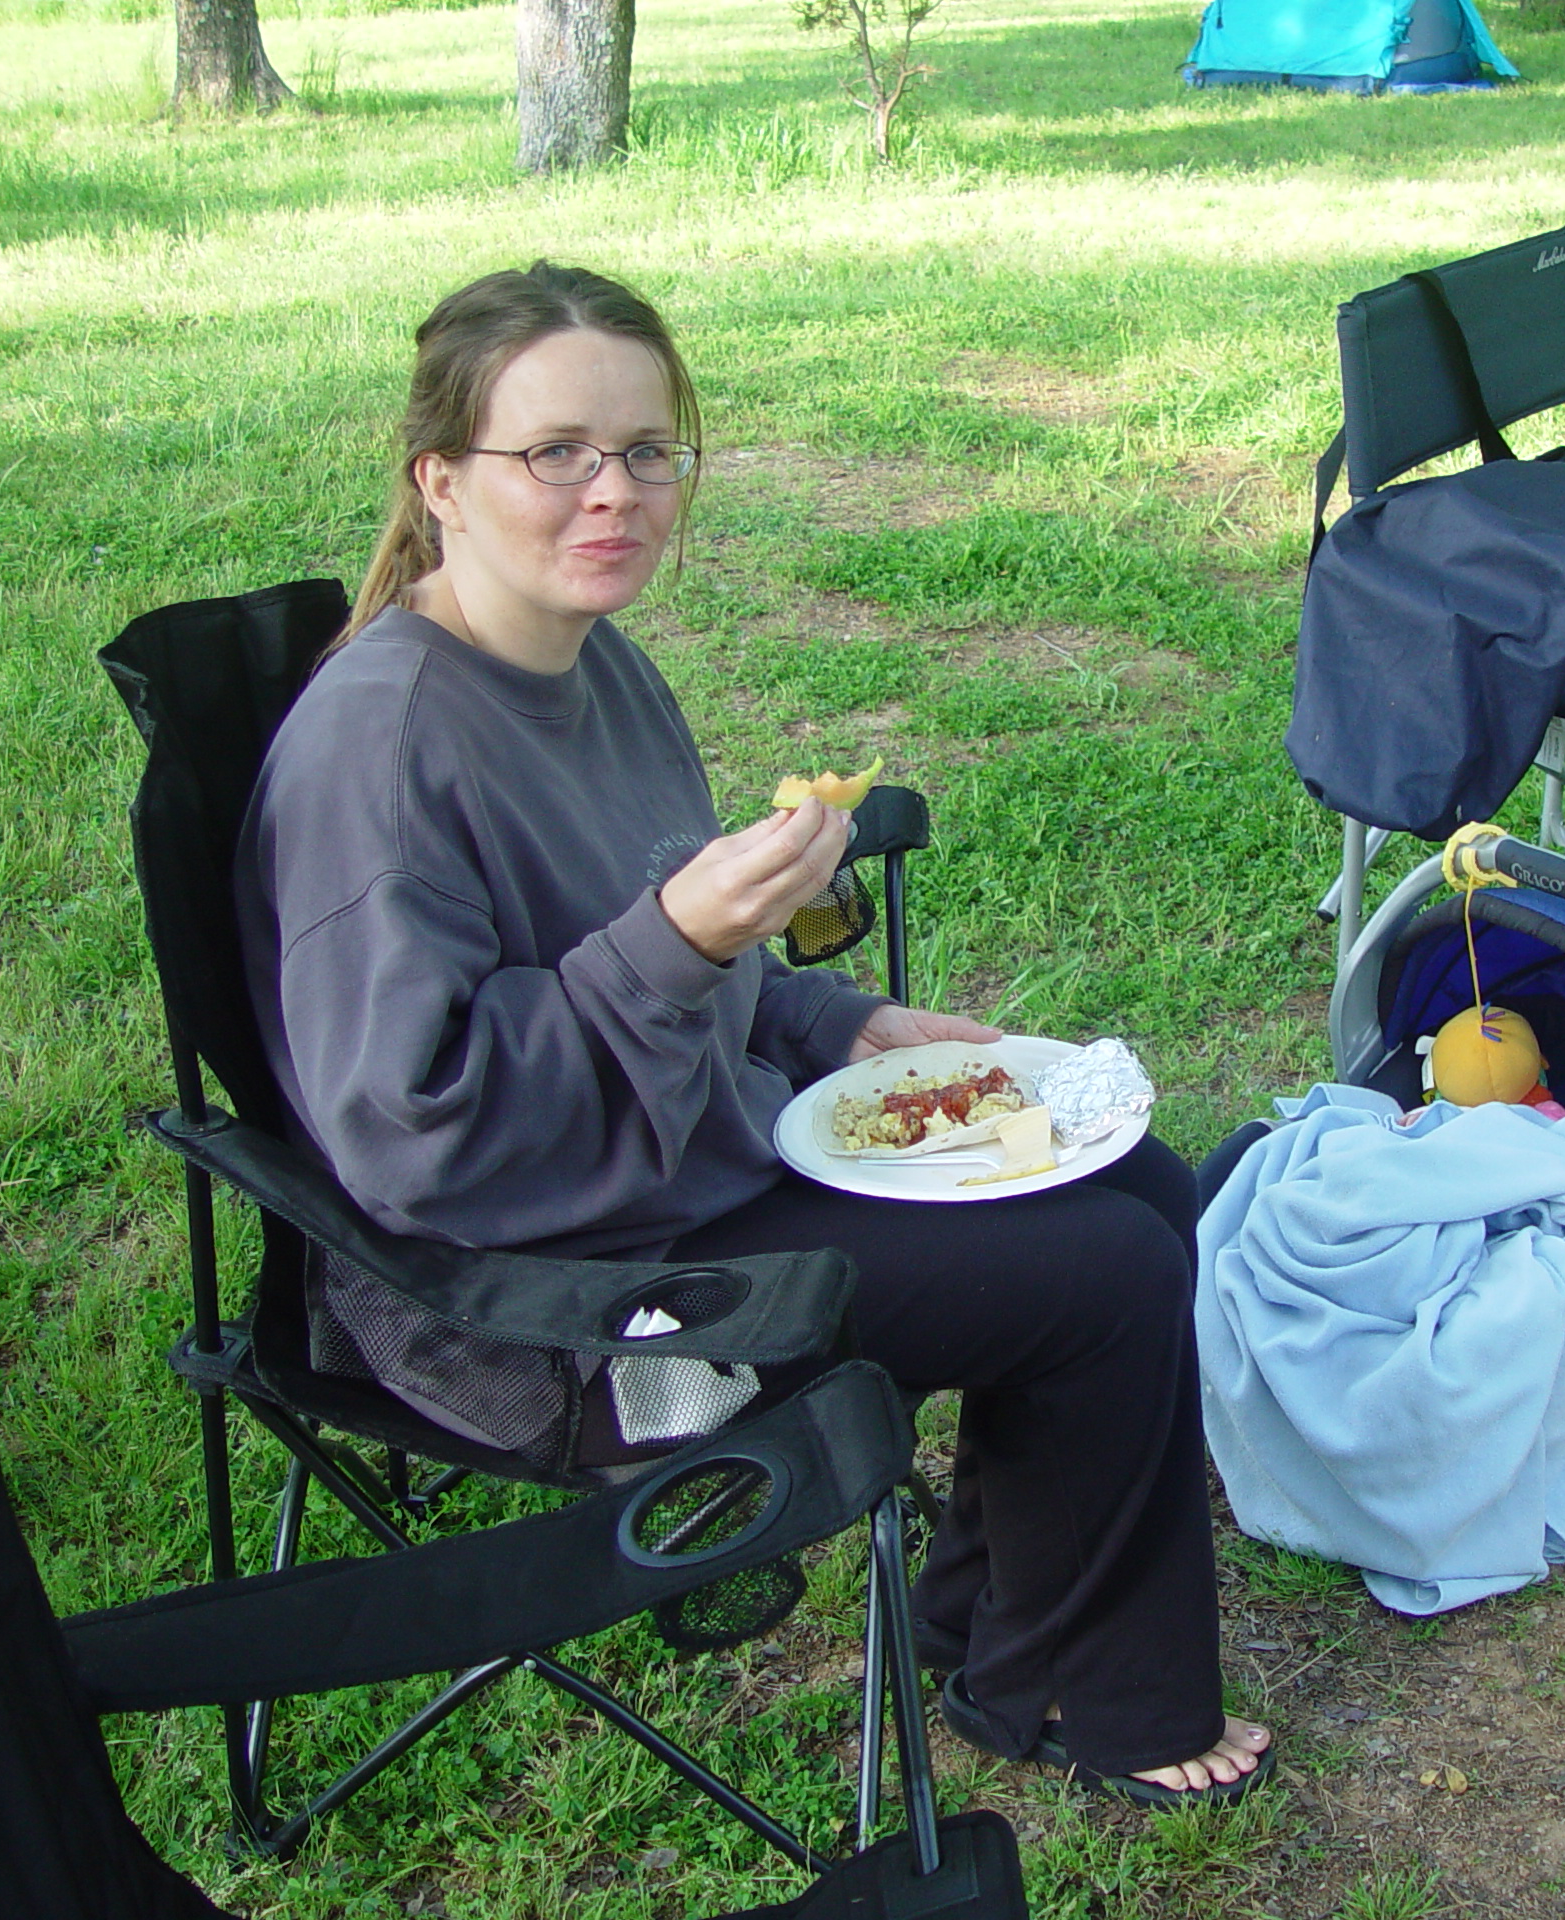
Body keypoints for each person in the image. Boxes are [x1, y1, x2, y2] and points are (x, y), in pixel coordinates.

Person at [235, 261, 1268, 1805]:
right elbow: (417, 1136)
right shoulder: (382, 752)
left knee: (1138, 1186)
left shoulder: (598, 669)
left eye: (650, 452)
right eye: (559, 454)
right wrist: (683, 941)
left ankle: (998, 1628)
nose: (616, 495)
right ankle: (1101, 1700)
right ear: (439, 480)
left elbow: (670, 966)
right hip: (543, 1304)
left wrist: (842, 1021)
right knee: (1103, 1277)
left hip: (668, 1173)